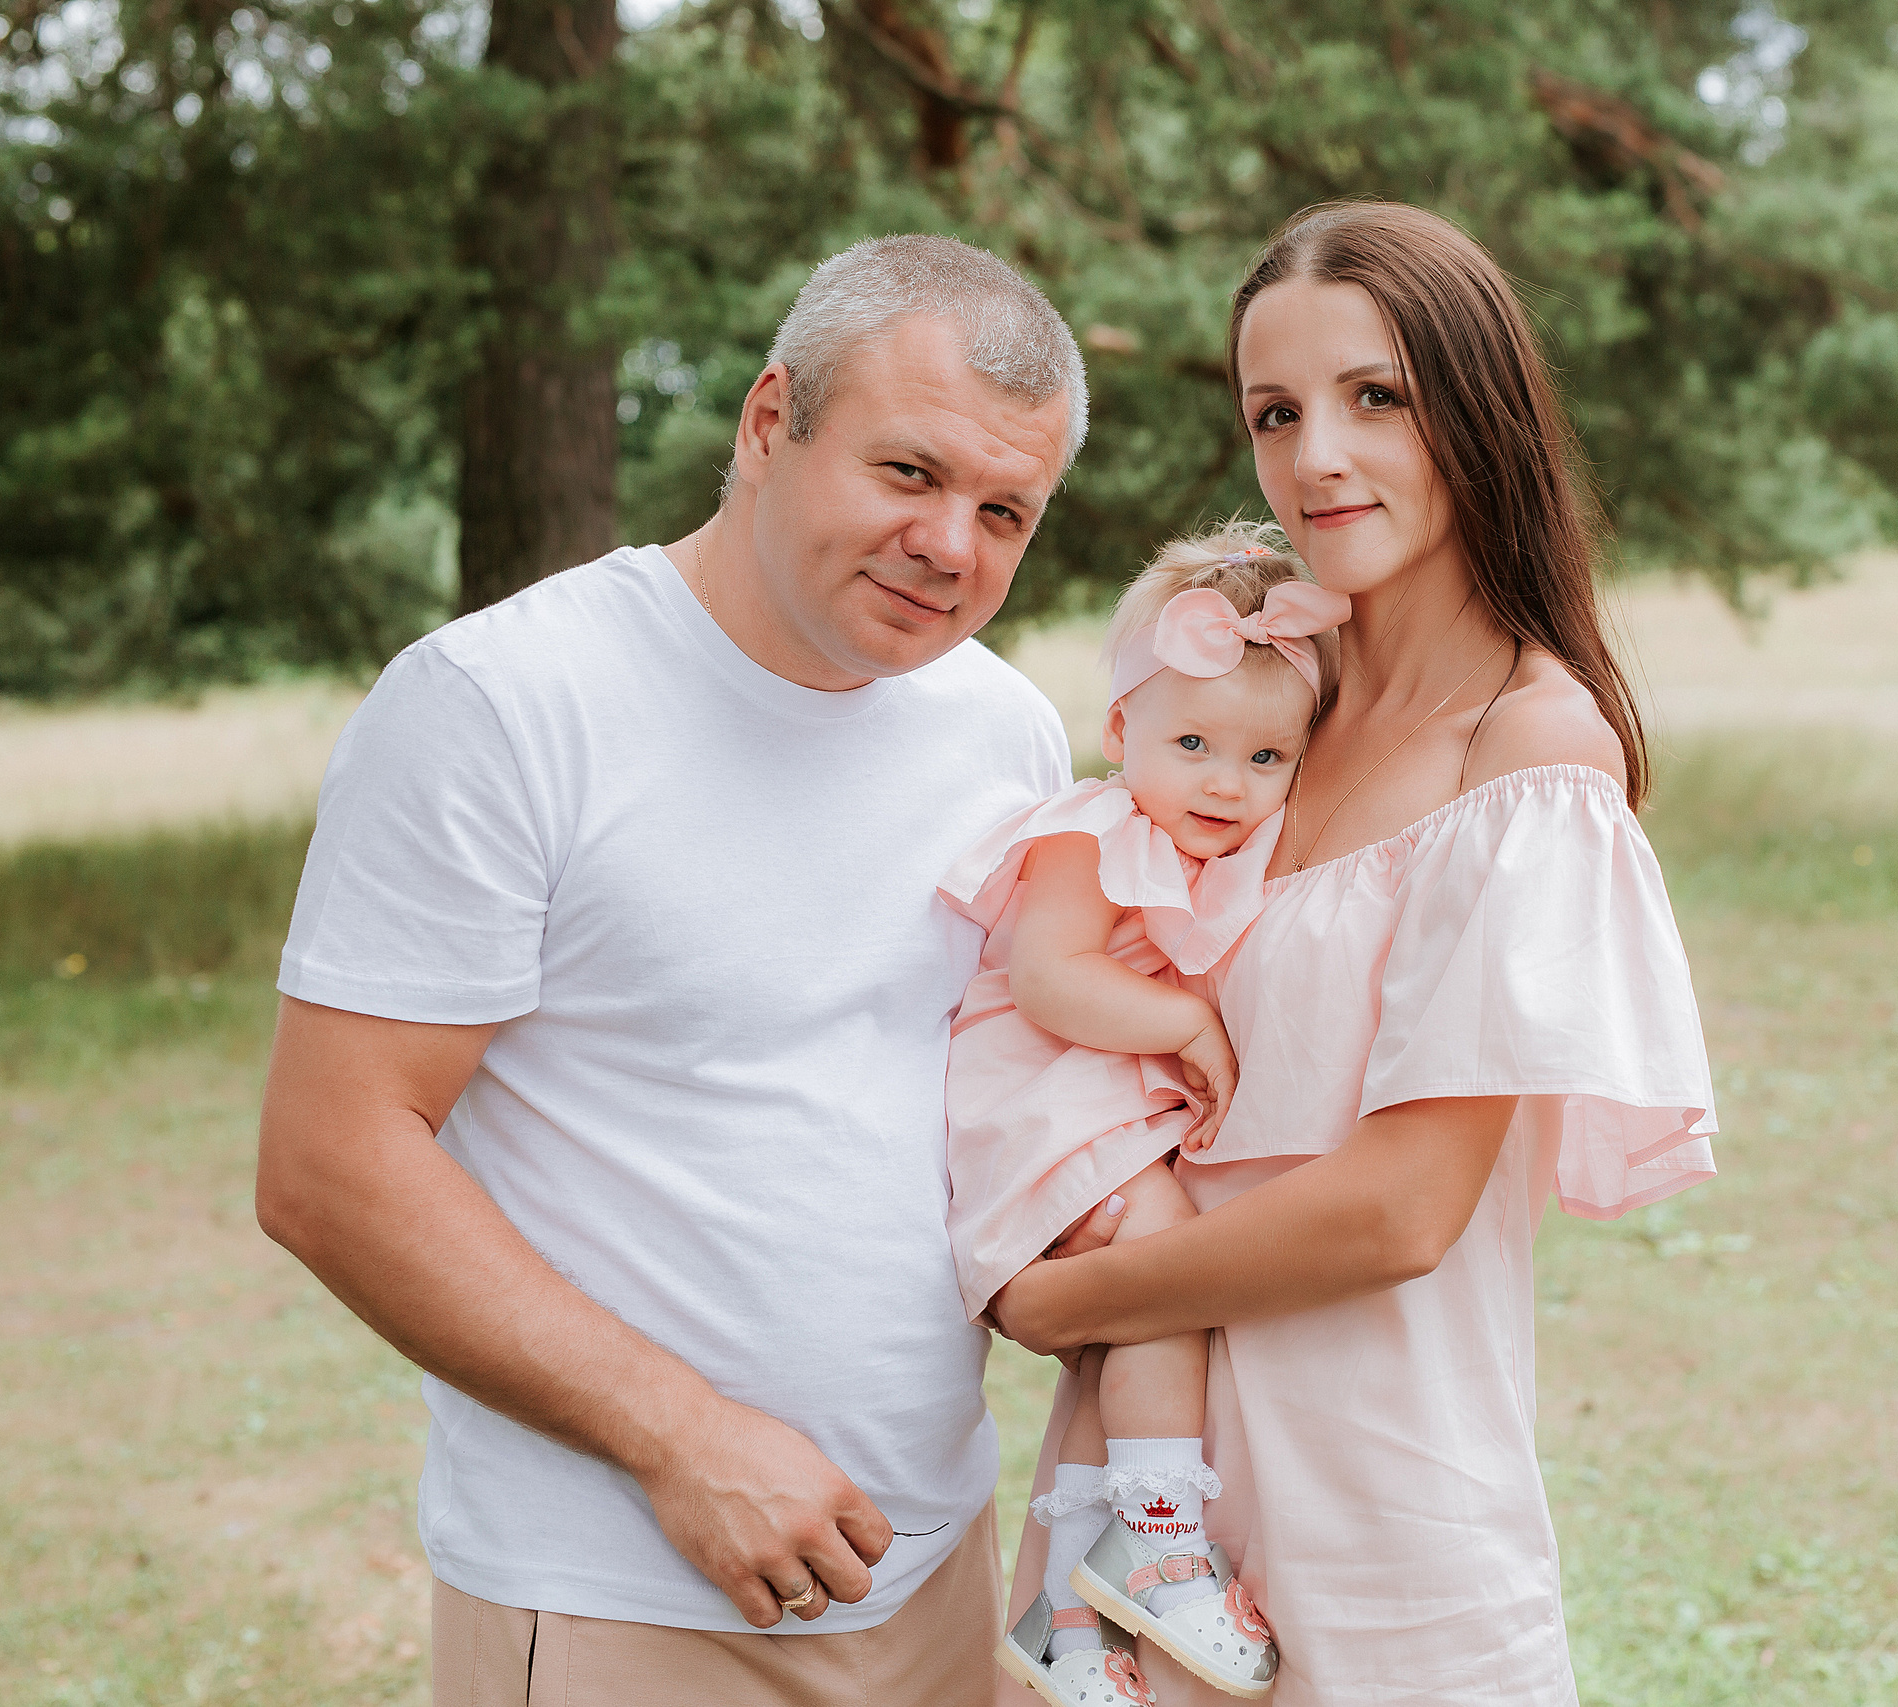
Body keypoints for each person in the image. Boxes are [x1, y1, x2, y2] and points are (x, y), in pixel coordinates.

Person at [255, 233, 1086, 1706]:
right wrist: (684, 1437)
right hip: (624, 1594)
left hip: (936, 1566)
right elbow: (330, 1161)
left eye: (1003, 509)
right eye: (910, 473)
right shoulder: (500, 703)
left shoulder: (1004, 733)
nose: (952, 546)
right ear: (772, 422)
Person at [988, 201, 1720, 1706]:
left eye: (1374, 395)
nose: (1316, 455)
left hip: (1377, 1492)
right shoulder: (1259, 736)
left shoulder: (1526, 748)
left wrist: (1064, 1301)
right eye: (1276, 411)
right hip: (1148, 1482)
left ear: (1478, 407)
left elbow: (1401, 1208)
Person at [941, 525, 1339, 1705]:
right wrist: (1186, 1027)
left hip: (1087, 1107)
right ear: (1121, 736)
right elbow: (1059, 980)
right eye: (1193, 744)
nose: (1227, 781)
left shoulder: (1200, 841)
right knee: (1166, 1277)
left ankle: (1064, 1622)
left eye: (1267, 755)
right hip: (1039, 1097)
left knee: (1124, 1341)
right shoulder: (1090, 829)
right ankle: (1163, 1551)